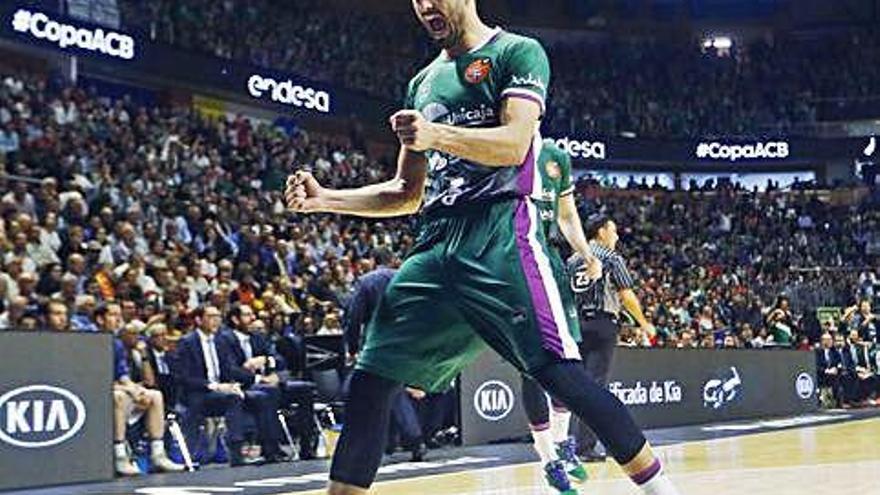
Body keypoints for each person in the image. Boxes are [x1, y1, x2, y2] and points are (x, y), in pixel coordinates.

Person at [286, 1, 679, 494]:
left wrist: (436, 134)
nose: (425, 5)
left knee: (562, 377)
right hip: (436, 244)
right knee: (371, 379)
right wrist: (328, 199)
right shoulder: (422, 83)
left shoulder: (518, 52)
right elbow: (406, 194)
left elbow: (515, 144)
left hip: (502, 237)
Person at [519, 138, 596, 487]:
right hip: (514, 260)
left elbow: (567, 215)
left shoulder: (555, 157)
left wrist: (587, 254)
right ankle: (548, 458)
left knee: (567, 358)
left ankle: (564, 445)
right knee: (531, 366)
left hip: (551, 262)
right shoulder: (499, 145)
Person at [568, 214, 656, 461]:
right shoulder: (611, 258)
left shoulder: (573, 259)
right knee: (596, 386)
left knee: (577, 386)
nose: (616, 236)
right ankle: (585, 447)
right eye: (613, 231)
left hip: (576, 326)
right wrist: (644, 323)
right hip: (602, 325)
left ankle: (571, 444)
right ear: (601, 232)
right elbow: (626, 295)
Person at [97, 303, 183, 476]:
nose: (118, 319)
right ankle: (120, 457)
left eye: (118, 315)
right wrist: (127, 389)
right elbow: (93, 378)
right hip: (97, 393)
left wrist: (135, 389)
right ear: (100, 319)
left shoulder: (116, 343)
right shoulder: (90, 340)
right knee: (120, 396)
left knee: (155, 396)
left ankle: (158, 455)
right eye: (112, 315)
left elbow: (122, 374)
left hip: (116, 390)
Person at [175, 305, 262, 466]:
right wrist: (213, 386)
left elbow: (228, 369)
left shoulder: (220, 340)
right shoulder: (187, 342)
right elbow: (183, 377)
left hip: (218, 393)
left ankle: (238, 453)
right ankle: (193, 454)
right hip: (196, 393)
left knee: (236, 396)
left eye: (218, 316)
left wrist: (233, 385)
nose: (216, 320)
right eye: (210, 316)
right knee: (230, 397)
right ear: (198, 320)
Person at [218, 302, 287, 463]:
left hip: (266, 382)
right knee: (267, 393)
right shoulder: (224, 339)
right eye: (247, 315)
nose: (252, 318)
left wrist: (266, 360)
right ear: (235, 319)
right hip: (241, 385)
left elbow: (280, 360)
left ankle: (308, 446)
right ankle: (271, 448)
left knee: (304, 389)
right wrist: (258, 378)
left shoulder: (257, 337)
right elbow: (230, 370)